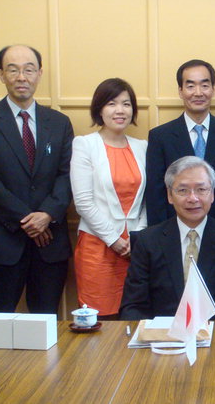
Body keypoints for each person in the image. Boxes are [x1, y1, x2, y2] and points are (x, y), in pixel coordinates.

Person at [0, 45, 74, 315]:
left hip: (49, 241)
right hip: (1, 239)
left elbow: (66, 175)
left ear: (39, 73)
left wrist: (47, 214)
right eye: (12, 69)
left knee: (47, 322)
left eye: (28, 69)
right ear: (1, 75)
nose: (21, 77)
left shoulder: (59, 122)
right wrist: (29, 220)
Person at [119, 156, 215, 320]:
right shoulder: (147, 241)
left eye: (201, 189)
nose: (193, 198)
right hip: (164, 339)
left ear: (212, 194)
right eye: (183, 190)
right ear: (170, 196)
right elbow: (133, 306)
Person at [70, 78, 147, 318]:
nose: (120, 110)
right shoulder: (85, 145)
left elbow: (149, 199)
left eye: (126, 104)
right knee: (101, 319)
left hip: (136, 249)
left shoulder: (142, 146)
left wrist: (138, 237)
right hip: (98, 246)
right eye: (112, 103)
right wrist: (114, 239)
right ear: (99, 109)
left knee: (135, 315)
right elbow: (83, 202)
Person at [146, 59, 215, 226]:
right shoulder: (160, 137)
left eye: (204, 85)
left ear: (213, 89)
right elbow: (155, 195)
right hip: (174, 231)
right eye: (190, 86)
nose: (198, 93)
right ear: (180, 91)